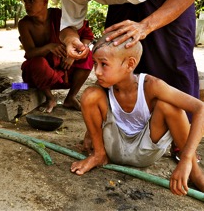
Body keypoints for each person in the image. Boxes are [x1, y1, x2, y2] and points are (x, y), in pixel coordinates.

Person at [46, 0, 200, 122]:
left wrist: (145, 26)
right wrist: (70, 40)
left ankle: (183, 138)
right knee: (116, 59)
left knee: (175, 58)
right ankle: (126, 128)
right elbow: (69, 27)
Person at [71, 32, 204, 196]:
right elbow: (97, 111)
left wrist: (185, 160)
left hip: (146, 151)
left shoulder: (151, 85)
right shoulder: (104, 86)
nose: (97, 72)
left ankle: (195, 172)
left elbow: (201, 109)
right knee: (90, 94)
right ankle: (98, 155)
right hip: (114, 149)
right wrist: (90, 134)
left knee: (170, 106)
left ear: (129, 64)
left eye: (103, 64)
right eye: (95, 64)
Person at [18, 0, 93, 112]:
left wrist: (73, 56)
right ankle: (50, 98)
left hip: (65, 68)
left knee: (88, 55)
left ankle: (70, 97)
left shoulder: (60, 15)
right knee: (37, 63)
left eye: (31, 1)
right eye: (25, 2)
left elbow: (86, 35)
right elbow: (30, 53)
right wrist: (49, 47)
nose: (27, 5)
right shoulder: (24, 24)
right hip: (42, 75)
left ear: (45, 1)